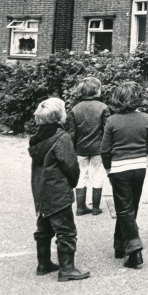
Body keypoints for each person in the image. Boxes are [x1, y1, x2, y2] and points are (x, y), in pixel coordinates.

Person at [29, 97, 90, 282]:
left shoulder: (37, 138)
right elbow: (70, 165)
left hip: (40, 188)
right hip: (57, 190)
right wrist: (72, 183)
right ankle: (67, 268)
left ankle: (43, 263)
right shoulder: (61, 137)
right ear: (59, 115)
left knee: (44, 226)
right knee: (66, 230)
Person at [100, 83, 148, 269]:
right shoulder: (147, 119)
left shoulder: (112, 121)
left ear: (117, 99)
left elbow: (104, 150)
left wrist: (109, 169)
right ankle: (120, 245)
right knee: (130, 207)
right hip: (139, 169)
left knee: (124, 209)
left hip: (119, 169)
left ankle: (134, 249)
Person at [68, 77, 110, 216]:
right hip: (98, 148)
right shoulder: (103, 107)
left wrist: (72, 148)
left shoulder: (75, 109)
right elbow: (106, 130)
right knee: (97, 174)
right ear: (97, 91)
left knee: (81, 175)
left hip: (80, 148)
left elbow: (72, 132)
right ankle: (96, 208)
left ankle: (80, 207)